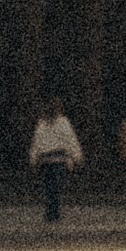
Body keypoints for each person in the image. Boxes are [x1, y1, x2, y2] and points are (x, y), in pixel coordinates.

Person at [28, 95, 81, 224]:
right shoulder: (63, 122)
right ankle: (54, 211)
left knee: (48, 186)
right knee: (56, 187)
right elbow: (69, 140)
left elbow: (37, 141)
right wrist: (76, 155)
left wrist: (33, 157)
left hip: (45, 160)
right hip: (60, 159)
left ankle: (50, 211)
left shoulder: (42, 123)